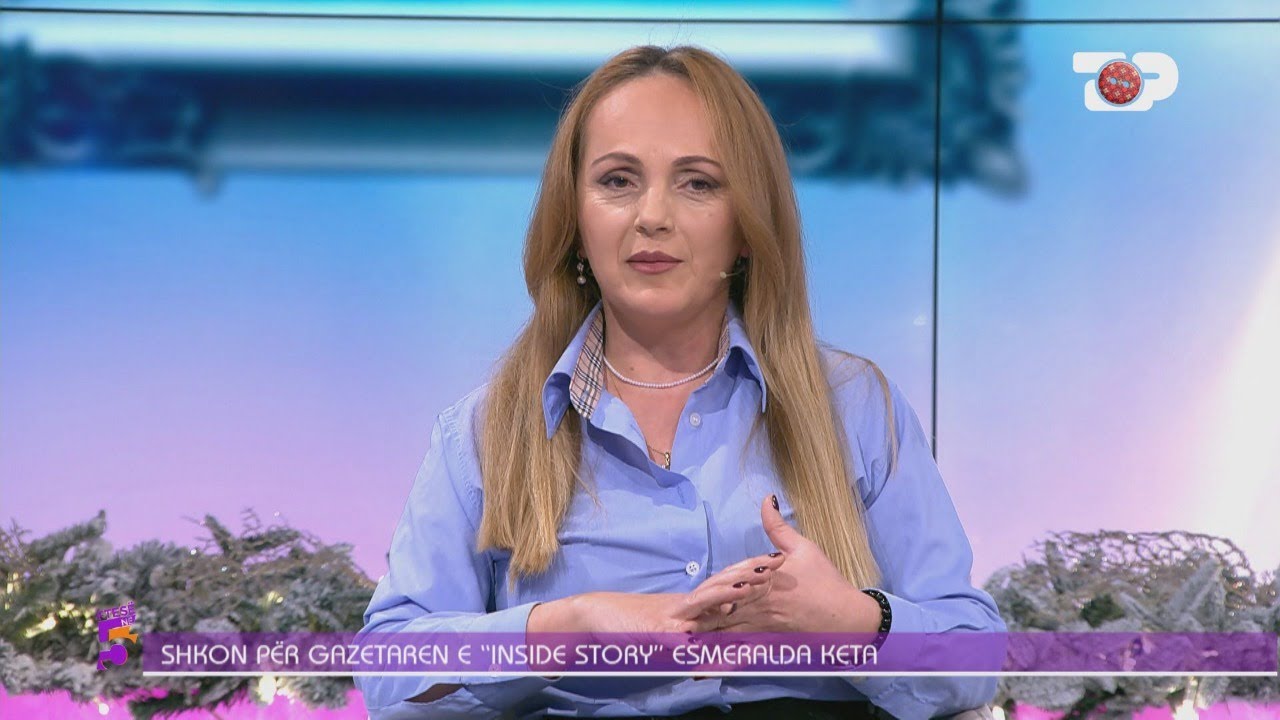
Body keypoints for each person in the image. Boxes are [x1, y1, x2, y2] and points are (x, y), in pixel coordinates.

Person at [355, 44, 1006, 720]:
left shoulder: (855, 405)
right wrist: (570, 625)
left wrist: (852, 622)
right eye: (618, 181)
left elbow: (975, 655)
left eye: (698, 183)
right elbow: (389, 671)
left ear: (747, 225)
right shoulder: (483, 432)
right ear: (574, 219)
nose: (653, 216)